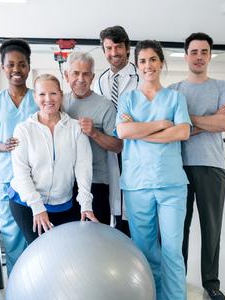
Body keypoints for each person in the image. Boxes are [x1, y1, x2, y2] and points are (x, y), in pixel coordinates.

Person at [116, 40, 191, 300]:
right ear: (137, 66)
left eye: (153, 59)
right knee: (145, 249)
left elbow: (183, 131)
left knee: (172, 249)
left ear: (161, 62)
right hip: (137, 185)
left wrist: (140, 130)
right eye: (143, 61)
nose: (148, 65)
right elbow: (123, 132)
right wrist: (161, 125)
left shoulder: (175, 97)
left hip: (171, 184)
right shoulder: (128, 99)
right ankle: (151, 295)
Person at [169, 32, 225, 300]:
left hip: (212, 166)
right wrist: (208, 120)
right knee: (178, 228)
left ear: (210, 56)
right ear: (186, 56)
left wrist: (188, 121)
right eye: (194, 52)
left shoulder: (223, 86)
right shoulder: (174, 90)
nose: (199, 57)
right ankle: (177, 280)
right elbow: (173, 127)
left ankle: (211, 283)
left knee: (212, 227)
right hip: (178, 167)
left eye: (204, 52)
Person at [9, 74, 97, 245]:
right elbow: (21, 172)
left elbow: (83, 168)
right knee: (38, 252)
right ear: (35, 97)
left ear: (61, 95)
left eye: (53, 94)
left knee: (64, 252)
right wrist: (37, 206)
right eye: (42, 94)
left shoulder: (75, 128)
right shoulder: (23, 130)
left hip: (62, 202)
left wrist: (86, 204)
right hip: (26, 203)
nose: (48, 99)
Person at [0, 39, 39, 275]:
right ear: (3, 67)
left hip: (36, 179)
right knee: (12, 235)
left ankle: (38, 285)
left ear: (28, 67)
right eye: (11, 64)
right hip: (5, 178)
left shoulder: (38, 98)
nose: (16, 70)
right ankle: (17, 287)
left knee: (37, 233)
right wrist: (5, 146)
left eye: (21, 64)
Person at [63, 51, 122, 225]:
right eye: (75, 73)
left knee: (96, 241)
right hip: (65, 184)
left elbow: (118, 146)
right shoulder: (59, 103)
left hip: (96, 183)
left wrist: (95, 133)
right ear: (66, 75)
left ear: (92, 77)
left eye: (86, 73)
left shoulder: (105, 106)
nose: (80, 79)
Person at [94, 25, 137, 234]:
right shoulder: (101, 80)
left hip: (135, 149)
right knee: (116, 204)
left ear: (127, 48)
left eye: (118, 47)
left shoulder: (140, 77)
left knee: (134, 209)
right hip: (108, 148)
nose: (113, 53)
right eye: (108, 48)